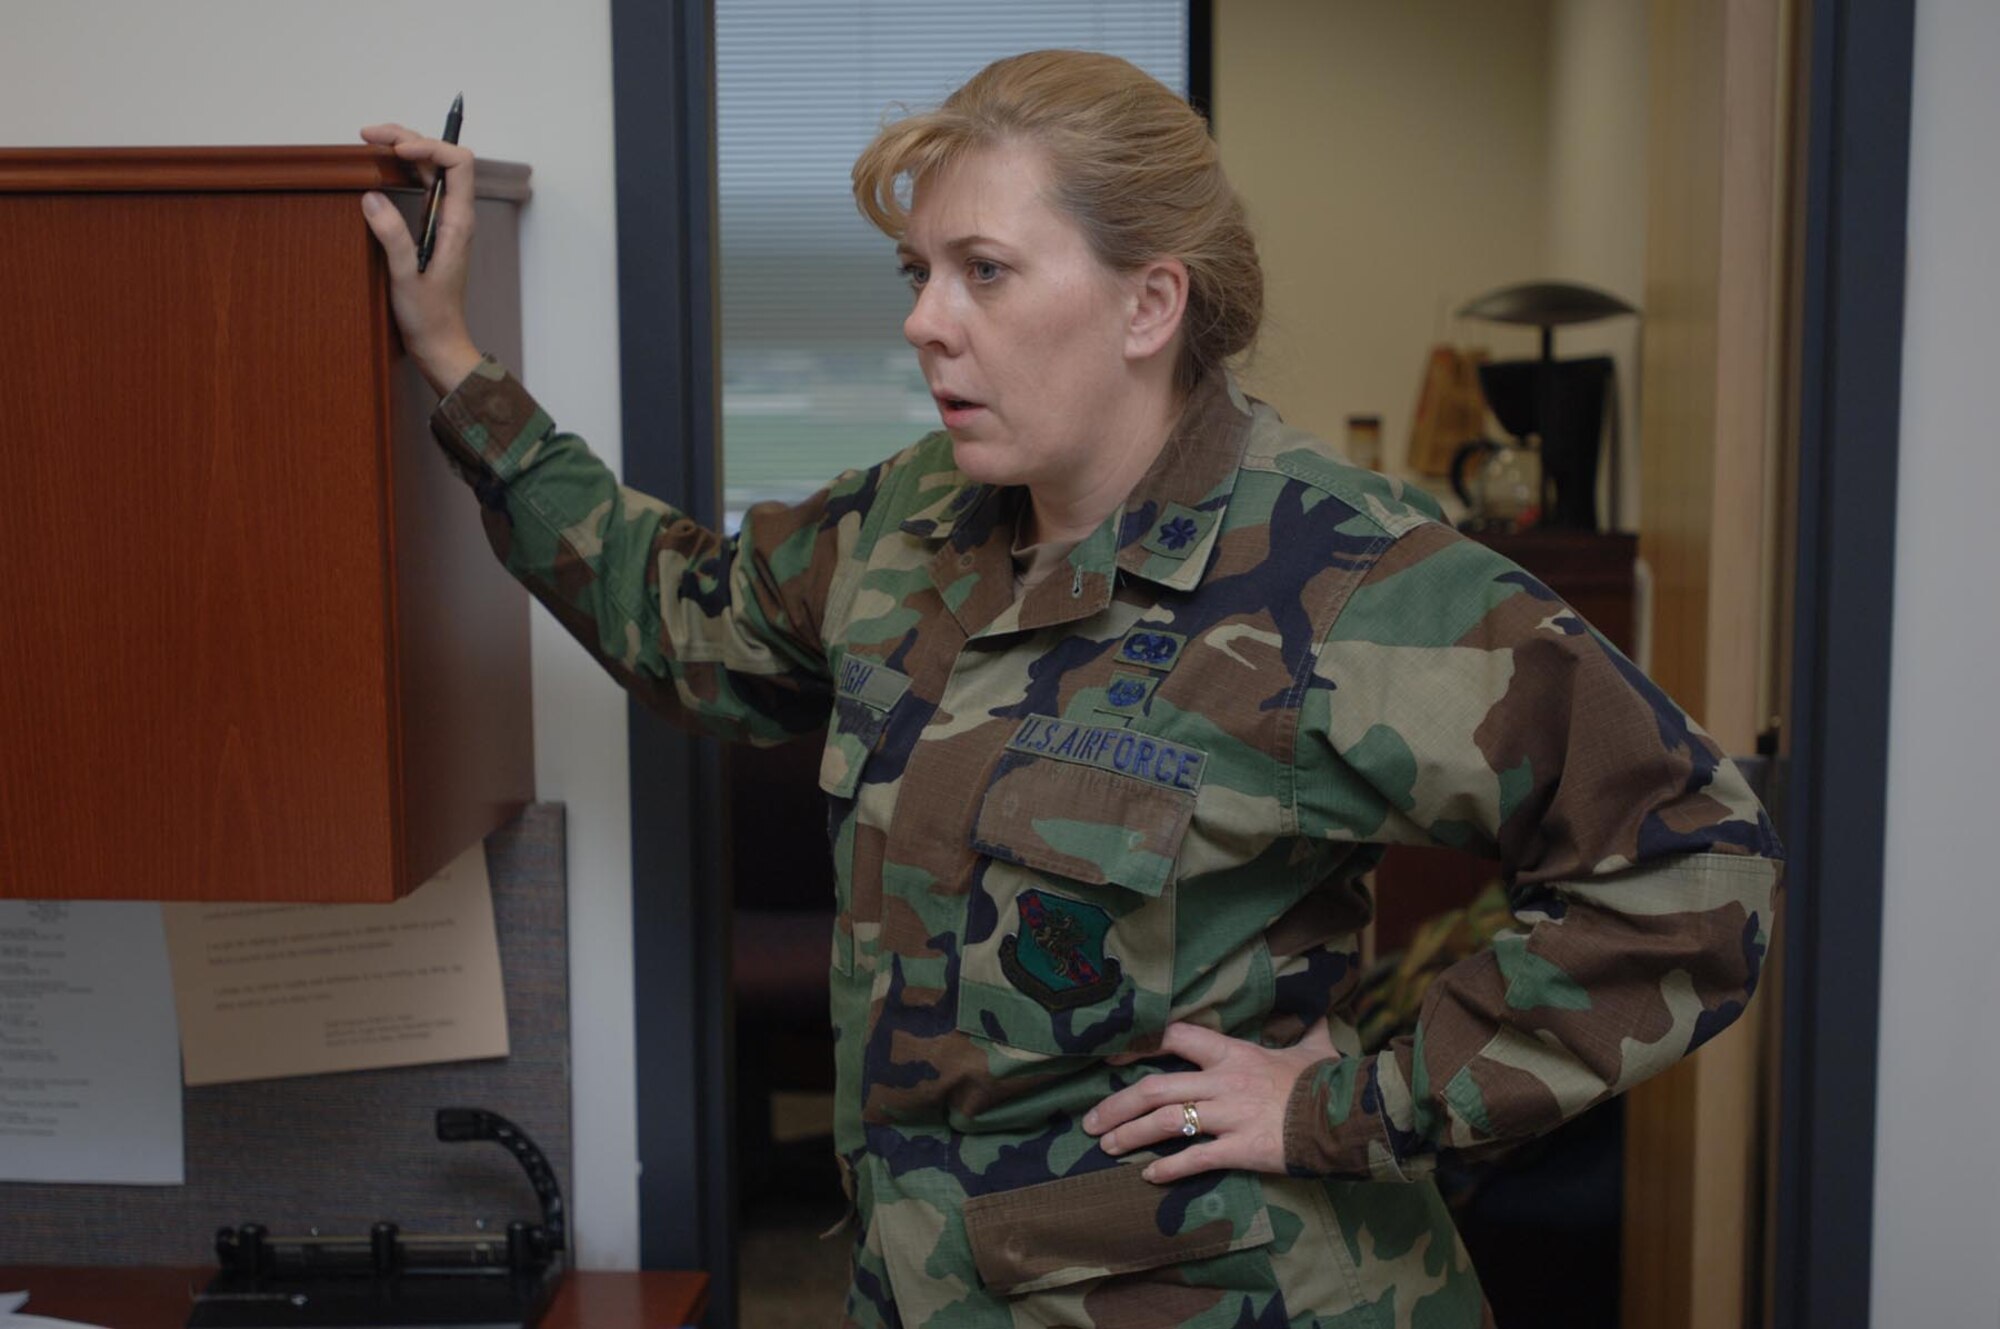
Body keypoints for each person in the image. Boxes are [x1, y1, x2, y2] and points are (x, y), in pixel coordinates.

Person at [361, 49, 1781, 1328]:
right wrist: (455, 361)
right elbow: (682, 621)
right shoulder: (914, 519)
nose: (925, 321)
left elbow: (1696, 864)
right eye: (915, 274)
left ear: (1149, 301)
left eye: (982, 270)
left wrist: (1361, 1099)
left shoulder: (1346, 581)